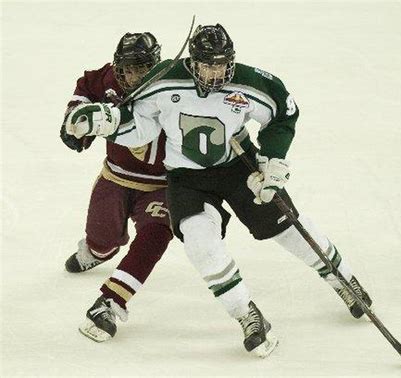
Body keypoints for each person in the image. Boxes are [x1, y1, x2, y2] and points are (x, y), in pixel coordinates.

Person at [65, 24, 372, 357]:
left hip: (239, 167)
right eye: (208, 64)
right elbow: (141, 127)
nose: (216, 72)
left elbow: (284, 113)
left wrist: (272, 164)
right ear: (193, 62)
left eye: (222, 64)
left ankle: (344, 280)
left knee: (285, 227)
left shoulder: (251, 82)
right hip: (186, 178)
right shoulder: (164, 80)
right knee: (199, 241)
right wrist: (105, 122)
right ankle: (246, 314)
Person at [60, 32, 173, 342]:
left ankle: (111, 301)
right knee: (101, 241)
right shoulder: (112, 76)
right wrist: (74, 119)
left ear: (155, 65)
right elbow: (87, 86)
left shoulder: (172, 89)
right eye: (126, 68)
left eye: (140, 68)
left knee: (155, 236)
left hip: (162, 186)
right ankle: (99, 250)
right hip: (116, 177)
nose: (131, 75)